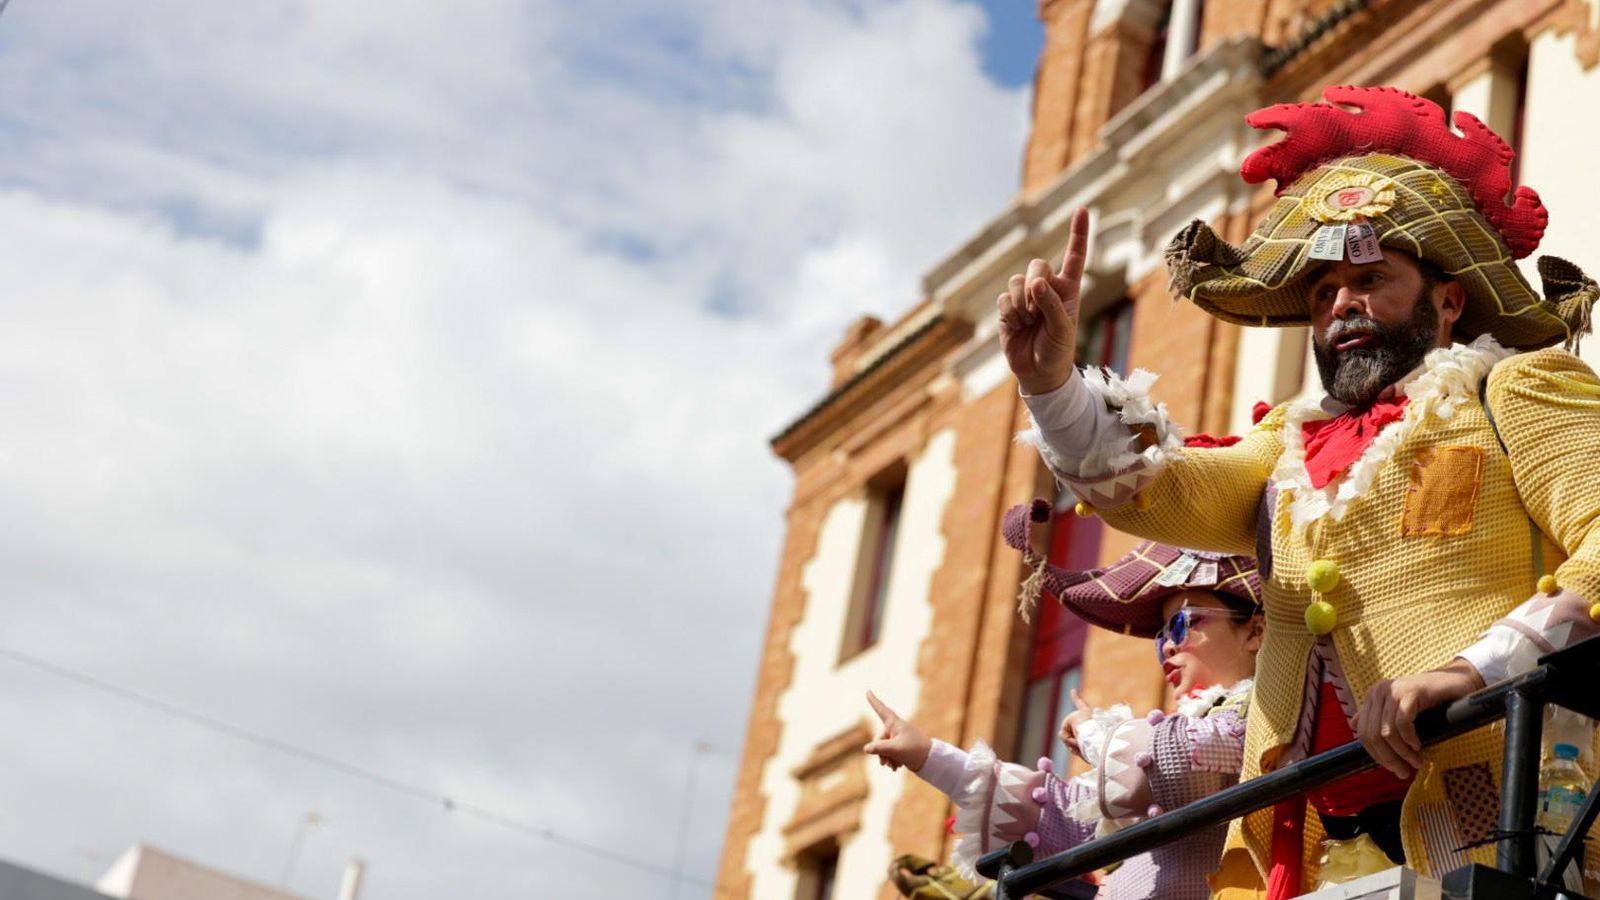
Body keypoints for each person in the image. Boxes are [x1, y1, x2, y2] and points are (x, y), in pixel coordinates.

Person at [998, 84, 1600, 897]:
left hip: (1502, 823)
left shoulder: (1517, 389)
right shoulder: (1284, 439)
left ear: (1449, 299)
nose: (1342, 304)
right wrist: (1053, 386)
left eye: (1371, 279)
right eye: (1321, 294)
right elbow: (1150, 489)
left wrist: (1468, 672)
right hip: (1300, 850)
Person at [865, 534, 1263, 900]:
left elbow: (1180, 760)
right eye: (1161, 637)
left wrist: (1096, 733)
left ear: (1255, 632)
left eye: (1182, 623)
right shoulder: (1186, 731)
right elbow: (1061, 816)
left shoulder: (1265, 713)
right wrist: (927, 755)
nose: (1169, 647)